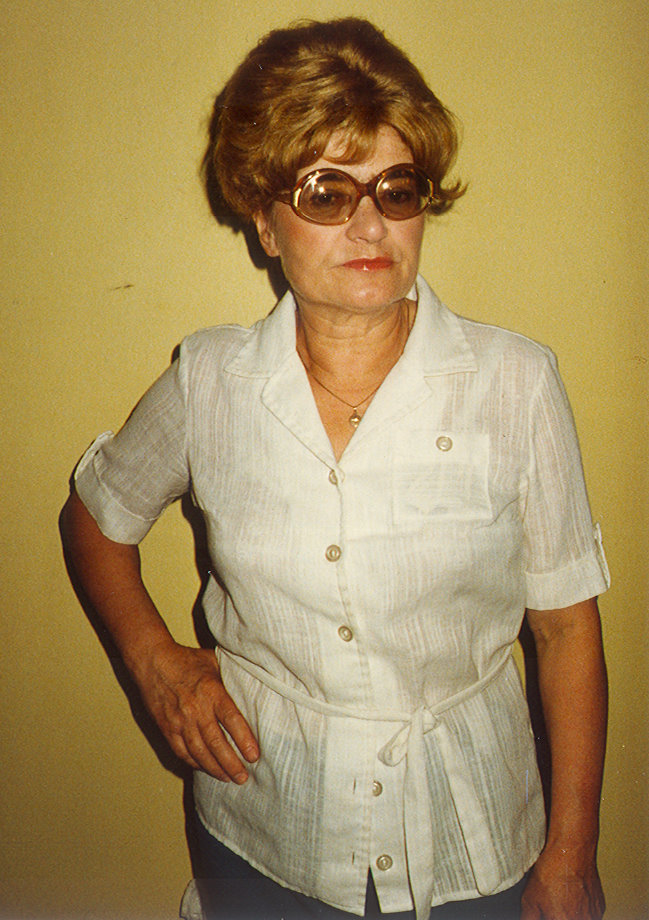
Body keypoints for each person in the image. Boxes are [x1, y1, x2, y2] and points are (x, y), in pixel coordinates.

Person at [60, 17, 610, 920]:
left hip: (471, 844)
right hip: (263, 832)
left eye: (396, 189)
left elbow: (565, 632)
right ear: (264, 221)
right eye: (325, 192)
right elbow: (95, 515)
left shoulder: (515, 384)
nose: (369, 223)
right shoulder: (210, 382)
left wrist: (568, 856)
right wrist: (157, 663)